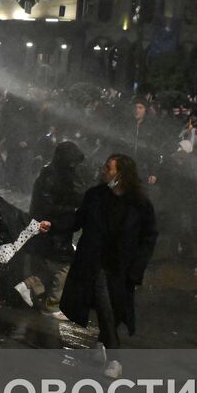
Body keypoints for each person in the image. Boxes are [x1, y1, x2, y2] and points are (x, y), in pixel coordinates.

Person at [59, 153, 158, 380]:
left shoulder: (140, 204)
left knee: (113, 308)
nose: (104, 170)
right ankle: (115, 357)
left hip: (122, 266)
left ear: (121, 174)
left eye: (109, 168)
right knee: (104, 303)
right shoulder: (95, 196)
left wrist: (137, 268)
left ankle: (104, 344)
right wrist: (51, 224)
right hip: (94, 262)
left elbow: (149, 237)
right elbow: (77, 222)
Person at [22, 140, 89, 317]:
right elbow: (47, 205)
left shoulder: (59, 173)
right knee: (63, 268)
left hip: (56, 229)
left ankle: (29, 287)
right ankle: (51, 306)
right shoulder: (52, 177)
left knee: (48, 265)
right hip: (51, 229)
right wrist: (73, 210)